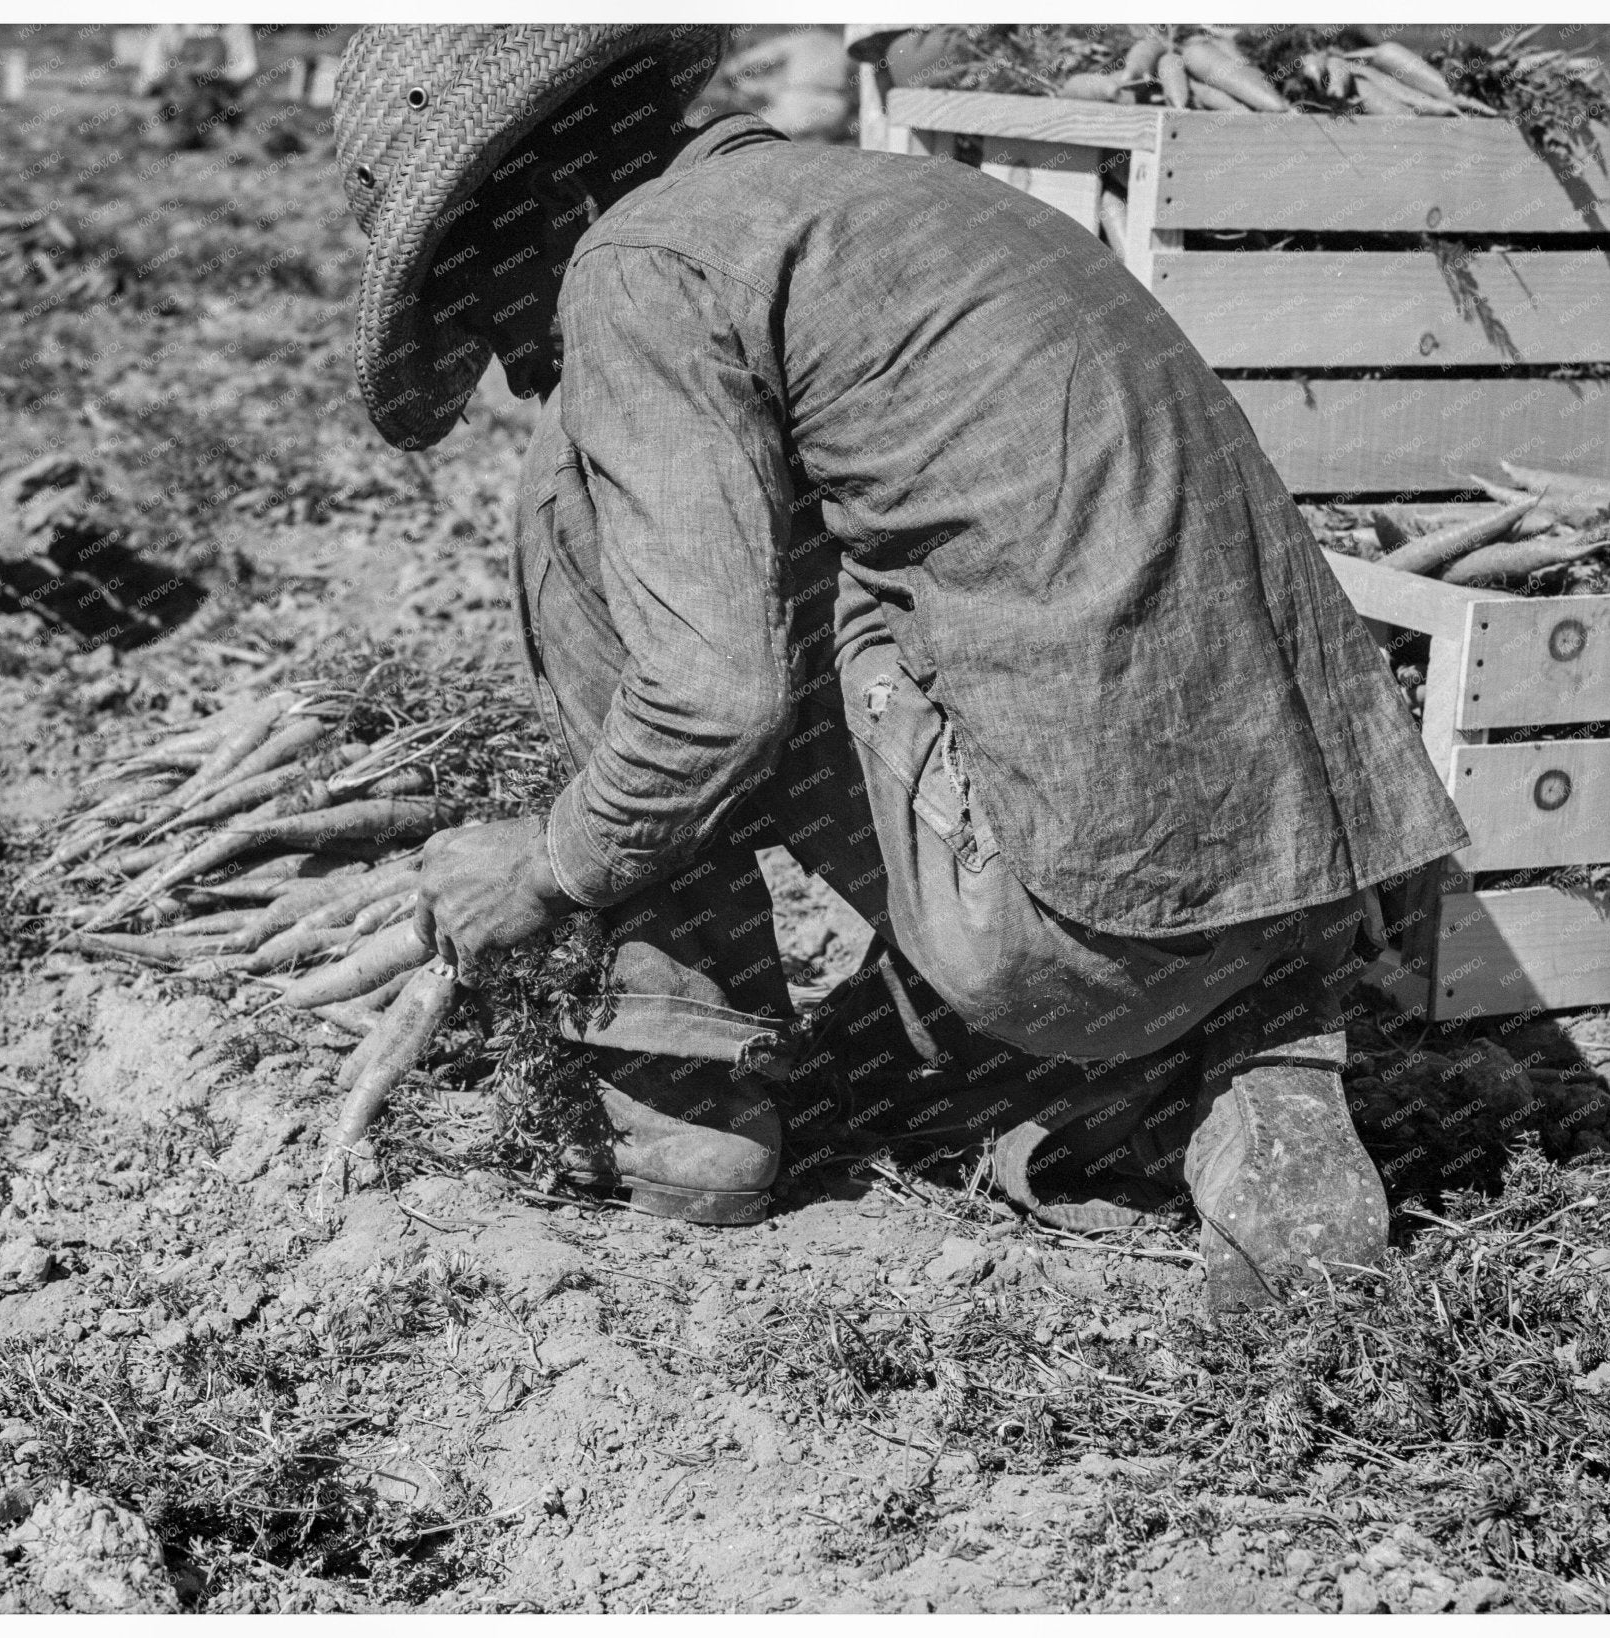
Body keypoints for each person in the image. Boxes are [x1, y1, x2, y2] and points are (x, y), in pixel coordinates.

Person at [330, 26, 1468, 1309]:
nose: (511, 362)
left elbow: (711, 697)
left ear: (546, 198)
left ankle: (687, 1094)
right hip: (1319, 871)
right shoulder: (900, 199)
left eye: (480, 296)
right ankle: (1235, 1041)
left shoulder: (636, 262)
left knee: (575, 512)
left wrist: (544, 862)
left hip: (1069, 923)